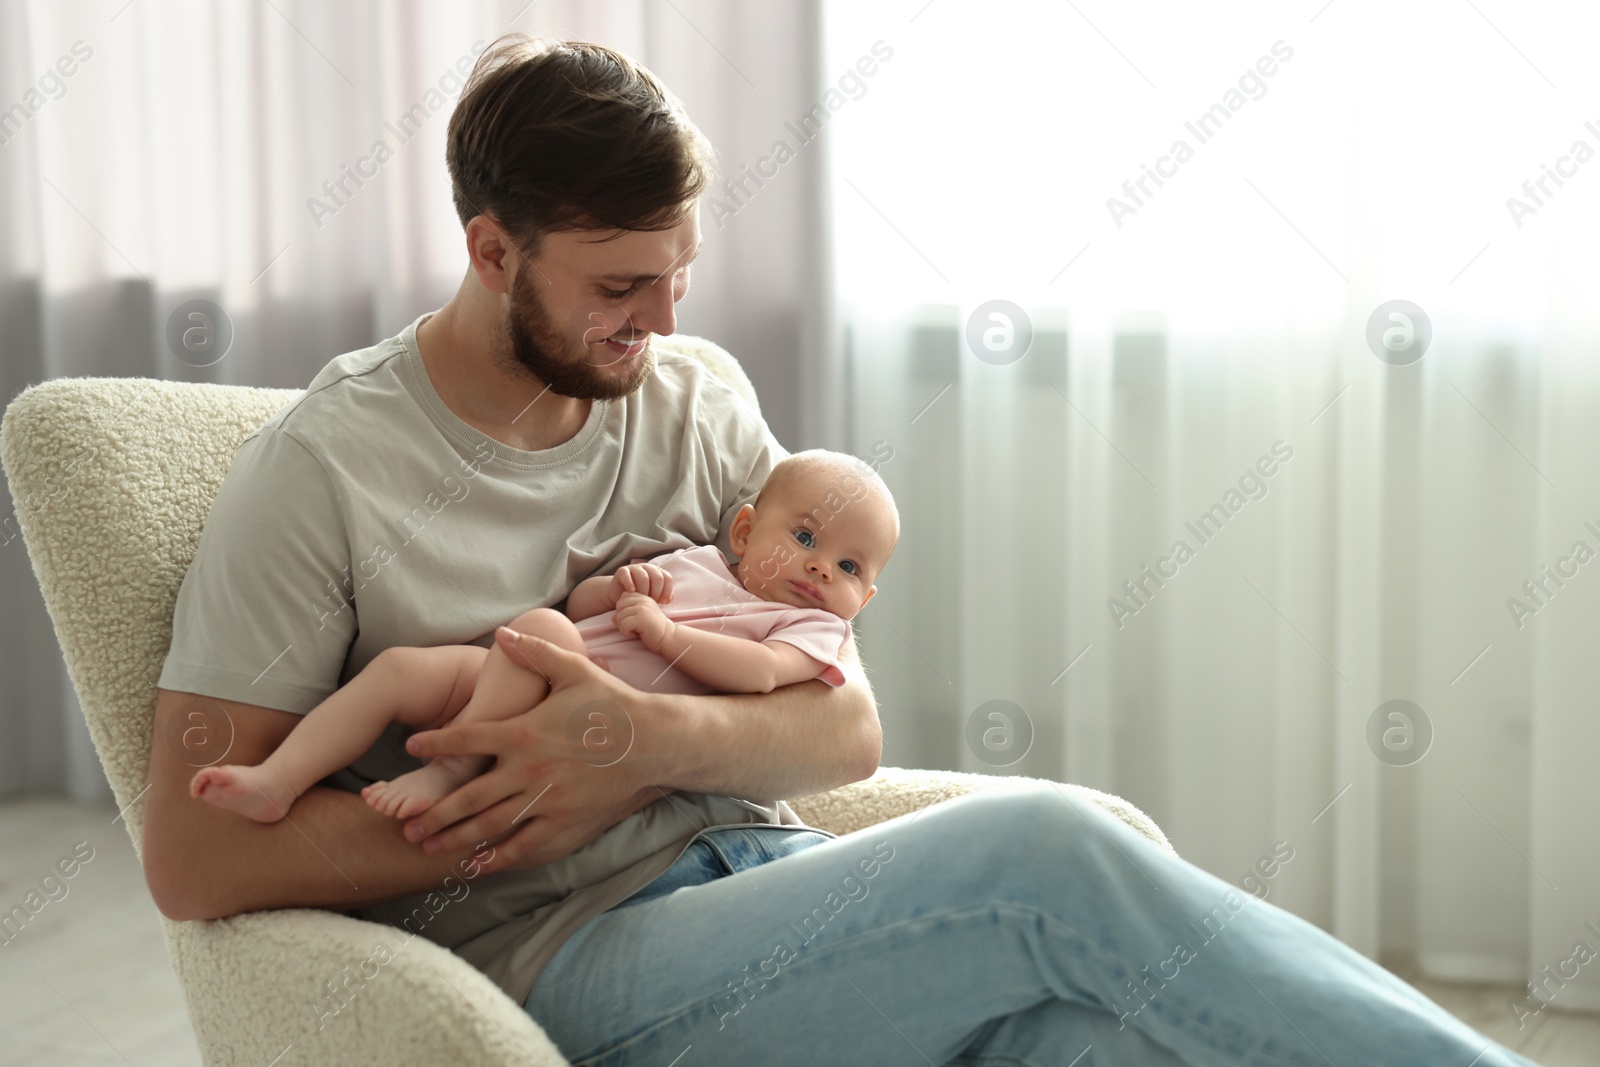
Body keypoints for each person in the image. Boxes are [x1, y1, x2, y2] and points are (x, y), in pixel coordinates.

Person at [141, 33, 1544, 1067]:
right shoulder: (323, 470)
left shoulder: (698, 398)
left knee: (1087, 1043)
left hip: (769, 877)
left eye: (678, 271)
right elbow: (194, 859)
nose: (660, 315)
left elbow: (843, 726)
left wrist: (631, 744)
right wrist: (511, 814)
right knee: (1047, 849)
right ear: (493, 251)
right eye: (621, 285)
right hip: (564, 954)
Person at [185, 449, 898, 824]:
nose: (816, 565)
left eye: (846, 566)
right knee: (402, 667)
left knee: (542, 628)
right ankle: (277, 780)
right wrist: (620, 592)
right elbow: (587, 602)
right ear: (744, 531)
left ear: (861, 599)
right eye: (804, 535)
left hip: (574, 699)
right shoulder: (703, 562)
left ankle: (459, 763)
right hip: (527, 676)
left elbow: (760, 674)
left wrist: (662, 633)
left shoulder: (807, 627)